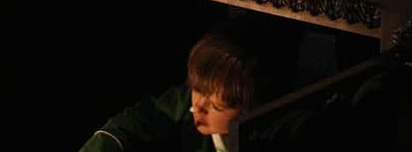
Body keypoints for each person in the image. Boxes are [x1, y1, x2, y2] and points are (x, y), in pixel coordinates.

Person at [79, 15, 293, 152]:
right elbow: (136, 122)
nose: (197, 107)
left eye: (215, 106)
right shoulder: (184, 104)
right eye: (197, 90)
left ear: (250, 111)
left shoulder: (273, 139)